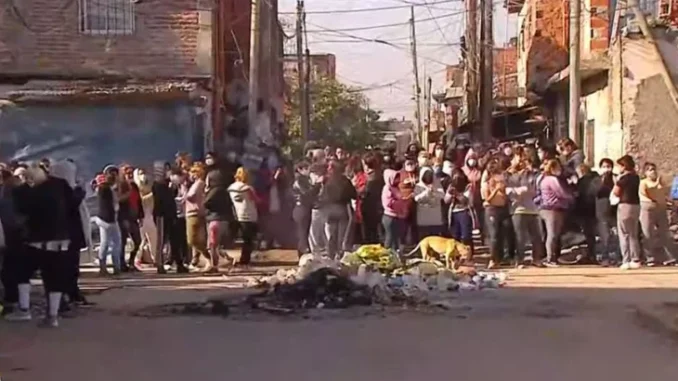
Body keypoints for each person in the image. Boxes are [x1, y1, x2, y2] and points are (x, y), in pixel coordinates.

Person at [5, 162, 76, 327]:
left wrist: (21, 187)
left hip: (36, 240)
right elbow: (72, 203)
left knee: (21, 273)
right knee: (54, 279)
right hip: (60, 238)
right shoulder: (60, 185)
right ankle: (52, 316)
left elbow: (21, 212)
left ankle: (24, 310)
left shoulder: (26, 193)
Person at [506, 155, 544, 267]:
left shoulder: (531, 176)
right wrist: (519, 191)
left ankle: (536, 259)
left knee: (537, 236)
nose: (523, 165)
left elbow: (534, 190)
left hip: (532, 209)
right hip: (518, 210)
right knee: (520, 237)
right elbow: (508, 191)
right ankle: (520, 260)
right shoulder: (511, 177)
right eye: (521, 162)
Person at [639, 162, 677, 266]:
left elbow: (664, 194)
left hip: (661, 209)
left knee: (665, 233)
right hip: (648, 209)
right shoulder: (643, 182)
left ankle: (670, 257)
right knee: (648, 233)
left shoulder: (660, 182)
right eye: (650, 169)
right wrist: (656, 186)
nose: (653, 171)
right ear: (646, 172)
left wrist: (670, 202)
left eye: (654, 169)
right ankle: (650, 258)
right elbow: (646, 193)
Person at [538, 159, 574, 267]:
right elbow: (561, 193)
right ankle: (550, 258)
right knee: (553, 234)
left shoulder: (542, 178)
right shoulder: (552, 179)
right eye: (558, 167)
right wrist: (571, 196)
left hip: (545, 208)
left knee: (552, 234)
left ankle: (551, 257)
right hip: (553, 208)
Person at [319, 161, 356, 259]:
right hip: (342, 208)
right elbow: (354, 194)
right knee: (342, 234)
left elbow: (322, 196)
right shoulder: (345, 181)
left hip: (329, 210)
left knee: (331, 233)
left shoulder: (327, 181)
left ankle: (331, 253)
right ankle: (340, 254)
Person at [204, 159, 235, 272]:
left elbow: (206, 203)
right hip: (224, 219)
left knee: (212, 245)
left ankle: (214, 265)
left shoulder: (213, 192)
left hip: (214, 219)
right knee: (216, 244)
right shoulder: (227, 191)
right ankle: (225, 260)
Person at [613, 155, 642, 270]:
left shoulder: (623, 179)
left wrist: (616, 181)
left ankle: (626, 260)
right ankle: (635, 259)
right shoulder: (636, 177)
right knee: (633, 233)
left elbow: (616, 192)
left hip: (625, 205)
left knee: (624, 233)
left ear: (623, 166)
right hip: (636, 205)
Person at [154, 162, 184, 274]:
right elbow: (162, 200)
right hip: (162, 215)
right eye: (165, 169)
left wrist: (173, 188)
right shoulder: (157, 185)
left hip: (172, 214)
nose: (167, 172)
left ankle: (179, 264)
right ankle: (160, 264)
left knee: (175, 240)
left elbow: (173, 197)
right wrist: (170, 189)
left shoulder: (168, 183)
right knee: (162, 241)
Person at [228, 167, 259, 268]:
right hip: (249, 215)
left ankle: (240, 259)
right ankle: (245, 259)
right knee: (248, 240)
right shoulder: (248, 188)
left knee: (240, 239)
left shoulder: (231, 188)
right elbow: (255, 200)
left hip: (237, 214)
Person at [94, 172, 121, 275]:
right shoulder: (110, 191)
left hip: (101, 218)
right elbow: (115, 206)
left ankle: (102, 267)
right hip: (110, 220)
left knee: (104, 243)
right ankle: (116, 267)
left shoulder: (99, 190)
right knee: (116, 243)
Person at [573, 163, 601, 265]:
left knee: (588, 234)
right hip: (594, 209)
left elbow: (579, 195)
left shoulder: (583, 181)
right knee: (592, 234)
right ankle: (592, 254)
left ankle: (591, 255)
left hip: (584, 209)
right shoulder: (596, 179)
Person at [184, 163, 210, 271]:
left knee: (192, 240)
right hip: (191, 213)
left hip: (194, 213)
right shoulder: (195, 184)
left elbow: (191, 197)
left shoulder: (199, 183)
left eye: (193, 172)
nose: (190, 175)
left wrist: (184, 190)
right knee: (197, 239)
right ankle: (203, 258)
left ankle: (209, 257)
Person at [118, 165, 143, 272]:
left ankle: (131, 261)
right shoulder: (121, 186)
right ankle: (122, 264)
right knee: (122, 242)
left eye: (131, 173)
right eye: (127, 173)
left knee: (138, 241)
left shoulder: (134, 186)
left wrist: (141, 216)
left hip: (134, 217)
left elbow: (139, 201)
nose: (130, 175)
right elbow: (118, 201)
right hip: (124, 217)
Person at [134, 168, 157, 266]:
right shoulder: (136, 188)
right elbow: (140, 201)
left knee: (153, 238)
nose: (143, 176)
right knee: (141, 240)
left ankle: (155, 258)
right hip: (141, 217)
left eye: (144, 173)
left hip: (149, 215)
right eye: (140, 173)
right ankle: (137, 259)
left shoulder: (150, 186)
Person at [596, 158, 618, 263]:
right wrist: (602, 181)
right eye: (604, 167)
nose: (607, 169)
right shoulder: (597, 179)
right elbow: (596, 192)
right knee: (605, 236)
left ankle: (616, 257)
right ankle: (605, 257)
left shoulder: (615, 179)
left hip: (614, 210)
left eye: (608, 167)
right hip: (602, 211)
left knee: (617, 235)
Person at [445, 168, 473, 250]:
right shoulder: (451, 186)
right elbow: (446, 200)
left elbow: (466, 201)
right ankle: (457, 255)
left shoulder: (468, 186)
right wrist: (450, 194)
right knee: (455, 235)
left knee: (466, 235)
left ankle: (469, 255)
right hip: (453, 212)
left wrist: (457, 194)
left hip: (464, 212)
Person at [414, 167, 445, 238]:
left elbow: (442, 195)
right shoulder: (418, 186)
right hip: (423, 220)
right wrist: (426, 192)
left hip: (435, 219)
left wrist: (433, 192)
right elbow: (416, 198)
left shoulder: (437, 185)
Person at [382, 168, 408, 252]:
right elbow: (388, 203)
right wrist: (400, 202)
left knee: (397, 238)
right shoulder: (387, 189)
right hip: (390, 217)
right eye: (396, 178)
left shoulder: (395, 188)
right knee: (390, 238)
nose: (398, 180)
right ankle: (386, 255)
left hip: (398, 216)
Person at [360, 152, 384, 244]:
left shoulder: (372, 178)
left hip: (371, 208)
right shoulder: (379, 174)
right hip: (377, 207)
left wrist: (359, 191)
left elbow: (367, 193)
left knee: (370, 233)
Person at [292, 161, 315, 256]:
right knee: (302, 233)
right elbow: (306, 193)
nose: (308, 170)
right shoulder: (300, 181)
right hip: (301, 208)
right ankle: (302, 253)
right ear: (300, 169)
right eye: (306, 168)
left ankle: (302, 253)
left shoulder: (304, 180)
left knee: (304, 232)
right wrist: (316, 187)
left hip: (302, 208)